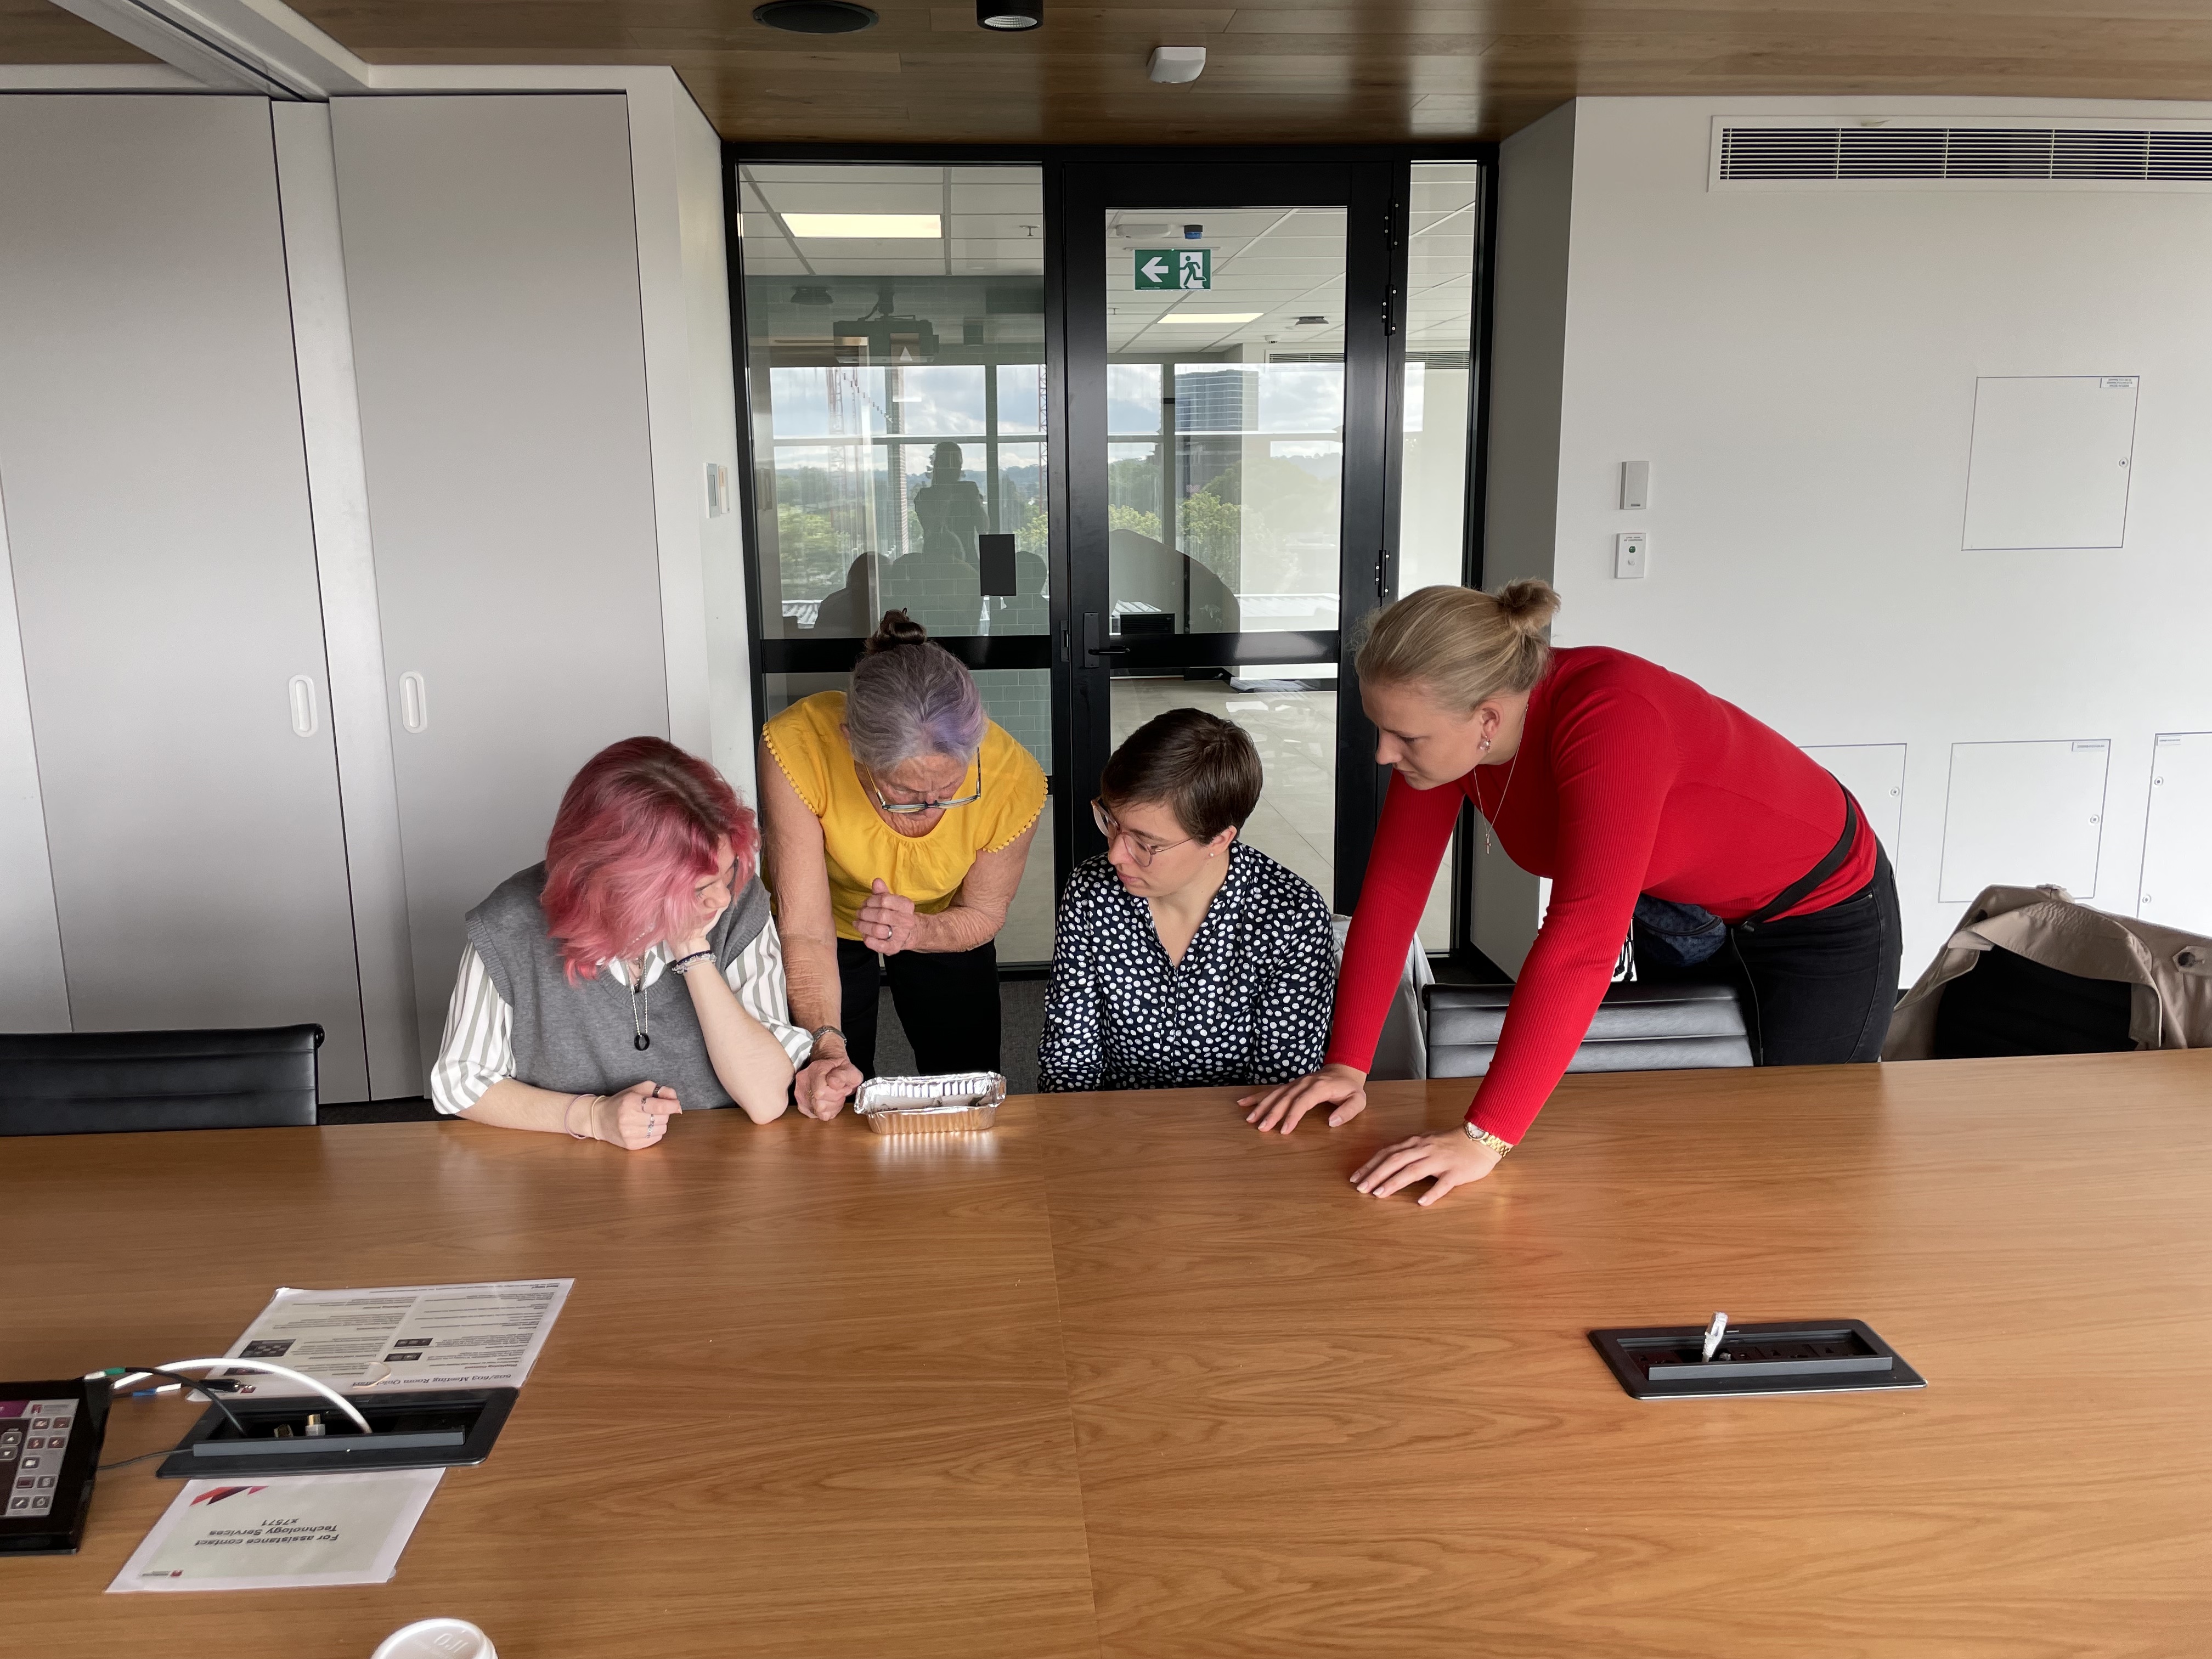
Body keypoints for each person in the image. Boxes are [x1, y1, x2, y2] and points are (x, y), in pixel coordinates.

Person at [1243, 580, 1902, 1205]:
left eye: (1406, 737)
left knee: (1805, 1142)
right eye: (1379, 729)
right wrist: (1346, 1065)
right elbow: (1392, 893)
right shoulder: (1456, 732)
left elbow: (1580, 944)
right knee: (1691, 1128)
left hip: (1823, 909)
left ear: (1487, 720)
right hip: (1681, 903)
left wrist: (1484, 1138)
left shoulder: (1612, 716)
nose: (1384, 754)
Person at [431, 737, 809, 1147]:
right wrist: (592, 1117)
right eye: (698, 888)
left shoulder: (738, 903)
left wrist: (693, 951)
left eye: (729, 871)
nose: (721, 898)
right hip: (568, 1180)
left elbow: (766, 1099)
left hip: (722, 1171)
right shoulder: (509, 925)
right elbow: (461, 1083)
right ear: (624, 886)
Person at [760, 609, 1046, 1116]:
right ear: (855, 746)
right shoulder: (801, 745)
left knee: (965, 1084)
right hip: (825, 917)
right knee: (831, 1086)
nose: (933, 807)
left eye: (951, 787)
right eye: (906, 793)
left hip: (944, 915)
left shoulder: (1012, 776)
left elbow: (982, 913)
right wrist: (827, 1045)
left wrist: (916, 934)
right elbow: (804, 927)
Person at [1039, 709, 1334, 1093]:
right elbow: (1069, 1061)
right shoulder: (1092, 892)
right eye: (1111, 822)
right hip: (1116, 1129)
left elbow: (1282, 1086)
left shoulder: (1290, 918)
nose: (1115, 855)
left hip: (1238, 1134)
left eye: (1146, 844)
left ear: (1219, 840)